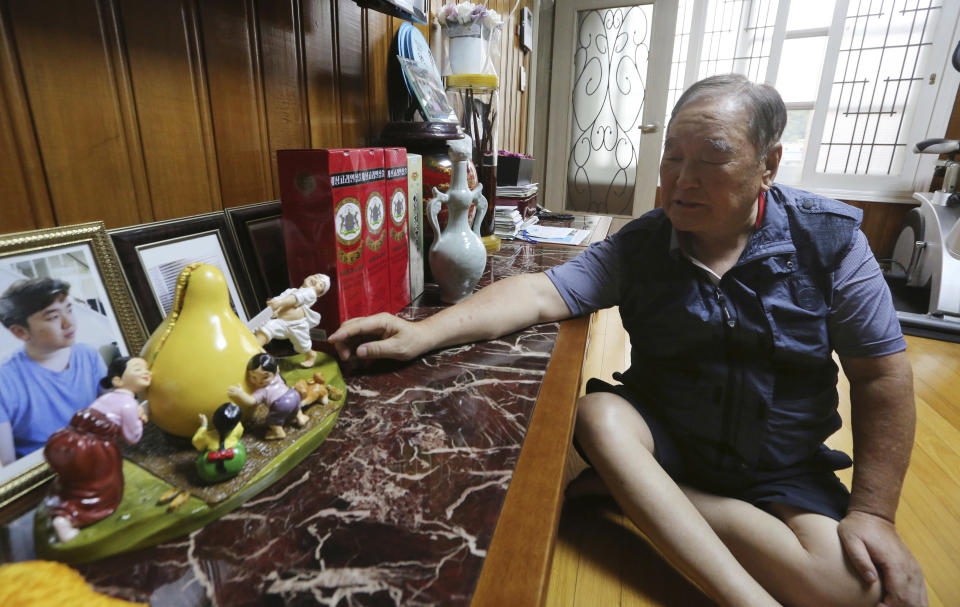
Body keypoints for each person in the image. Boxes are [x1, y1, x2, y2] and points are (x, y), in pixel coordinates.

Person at [328, 74, 926, 607]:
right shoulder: (644, 243)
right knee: (600, 416)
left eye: (712, 158)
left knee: (853, 590)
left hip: (781, 462)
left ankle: (631, 491)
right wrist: (419, 332)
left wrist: (873, 513)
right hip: (667, 435)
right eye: (671, 157)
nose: (680, 181)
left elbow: (880, 376)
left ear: (768, 164)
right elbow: (540, 293)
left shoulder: (832, 241)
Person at [0, 277, 108, 465]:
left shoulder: (88, 355)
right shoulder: (5, 380)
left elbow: (111, 413)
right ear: (20, 332)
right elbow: (6, 463)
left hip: (96, 457)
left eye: (69, 309)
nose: (69, 323)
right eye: (53, 317)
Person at [43, 356, 151, 542]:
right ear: (118, 380)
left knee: (77, 483)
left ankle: (63, 509)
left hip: (69, 440)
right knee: (100, 489)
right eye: (137, 369)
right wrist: (141, 416)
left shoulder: (106, 397)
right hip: (96, 450)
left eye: (146, 369)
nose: (146, 372)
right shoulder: (128, 404)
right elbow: (133, 438)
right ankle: (68, 518)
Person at [254, 273, 331, 368]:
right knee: (266, 329)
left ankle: (311, 355)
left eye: (320, 284)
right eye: (316, 277)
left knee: (303, 346)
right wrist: (276, 309)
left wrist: (279, 303)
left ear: (319, 294)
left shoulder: (311, 293)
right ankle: (254, 349)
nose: (316, 280)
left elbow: (296, 298)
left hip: (298, 326)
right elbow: (281, 298)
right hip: (281, 322)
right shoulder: (291, 291)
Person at [227, 353, 309, 440]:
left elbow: (251, 402)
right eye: (253, 377)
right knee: (295, 406)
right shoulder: (277, 376)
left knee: (272, 420)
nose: (259, 381)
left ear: (275, 372)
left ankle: (278, 432)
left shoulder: (262, 391)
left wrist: (240, 394)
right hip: (293, 395)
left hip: (281, 404)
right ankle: (300, 417)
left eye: (265, 377)